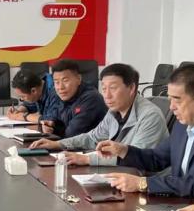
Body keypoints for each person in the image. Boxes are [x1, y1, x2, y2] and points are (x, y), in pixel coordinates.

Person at [97, 64, 194, 198]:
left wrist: (142, 183)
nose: (171, 107)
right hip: (180, 203)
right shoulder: (184, 122)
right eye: (170, 99)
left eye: (177, 99)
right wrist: (123, 150)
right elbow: (157, 158)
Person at [29, 63, 167, 165]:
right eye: (104, 88)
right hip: (120, 175)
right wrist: (57, 144)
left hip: (146, 183)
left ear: (131, 88)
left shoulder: (150, 116)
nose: (106, 95)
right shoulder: (114, 111)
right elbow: (92, 138)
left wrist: (87, 159)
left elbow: (136, 158)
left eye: (113, 88)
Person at [39, 59, 106, 138]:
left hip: (90, 145)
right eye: (56, 82)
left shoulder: (91, 98)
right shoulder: (58, 94)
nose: (60, 87)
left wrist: (55, 130)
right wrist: (50, 126)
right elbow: (51, 117)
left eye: (65, 81)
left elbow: (72, 135)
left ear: (79, 79)